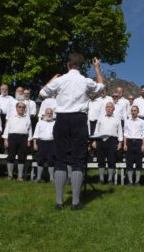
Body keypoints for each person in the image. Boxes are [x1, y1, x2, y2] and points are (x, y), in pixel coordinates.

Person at [39, 53, 104, 210]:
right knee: (78, 160)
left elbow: (42, 94)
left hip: (61, 120)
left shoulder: (60, 80)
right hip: (79, 120)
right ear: (81, 66)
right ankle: (75, 202)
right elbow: (101, 86)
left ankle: (59, 202)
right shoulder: (85, 81)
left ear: (68, 64)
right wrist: (97, 68)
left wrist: (53, 79)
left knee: (60, 160)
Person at [92, 102, 123, 184]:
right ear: (105, 109)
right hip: (100, 140)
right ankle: (101, 179)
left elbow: (120, 130)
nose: (109, 109)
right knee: (100, 160)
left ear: (113, 109)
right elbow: (96, 129)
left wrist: (120, 142)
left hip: (112, 140)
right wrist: (94, 140)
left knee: (111, 160)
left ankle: (110, 179)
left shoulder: (117, 118)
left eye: (110, 107)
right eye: (107, 107)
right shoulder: (101, 117)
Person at [3, 102, 32, 181]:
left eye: (23, 107)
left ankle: (20, 176)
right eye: (19, 107)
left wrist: (29, 140)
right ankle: (10, 175)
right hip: (12, 137)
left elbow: (30, 130)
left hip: (24, 138)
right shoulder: (11, 117)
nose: (21, 108)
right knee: (11, 156)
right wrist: (5, 140)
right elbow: (7, 129)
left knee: (21, 157)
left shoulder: (27, 118)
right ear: (16, 108)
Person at [124, 105, 144, 185]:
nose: (133, 112)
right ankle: (130, 181)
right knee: (129, 162)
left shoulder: (142, 121)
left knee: (138, 162)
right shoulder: (127, 121)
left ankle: (137, 181)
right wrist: (125, 144)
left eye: (135, 111)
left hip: (138, 142)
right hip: (129, 142)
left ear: (138, 112)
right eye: (132, 111)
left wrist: (143, 145)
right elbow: (125, 134)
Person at [33, 108, 56, 183]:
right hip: (42, 142)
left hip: (52, 143)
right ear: (44, 114)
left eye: (50, 113)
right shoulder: (39, 123)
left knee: (51, 160)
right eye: (48, 113)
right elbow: (36, 134)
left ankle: (51, 179)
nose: (49, 115)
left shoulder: (55, 123)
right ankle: (39, 177)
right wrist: (35, 143)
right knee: (40, 160)